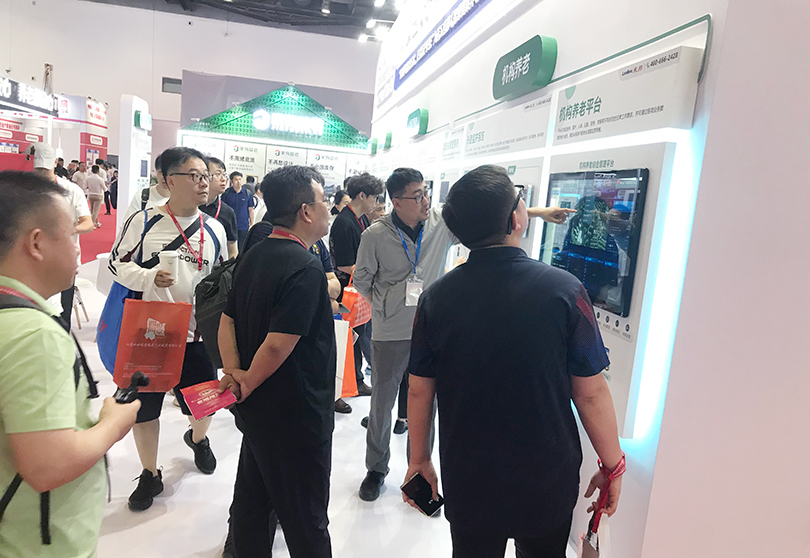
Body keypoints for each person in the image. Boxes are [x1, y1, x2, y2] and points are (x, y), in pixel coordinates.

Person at [404, 165, 623, 558]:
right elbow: (590, 393)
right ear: (516, 219)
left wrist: (418, 459)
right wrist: (612, 465)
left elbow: (420, 389)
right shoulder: (565, 291)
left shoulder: (436, 298)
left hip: (469, 472)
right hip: (546, 476)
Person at [353, 167, 575, 501]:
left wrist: (539, 212)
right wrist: (386, 306)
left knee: (427, 404)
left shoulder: (440, 222)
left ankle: (419, 474)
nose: (426, 200)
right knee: (382, 404)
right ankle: (376, 469)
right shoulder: (375, 235)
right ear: (396, 202)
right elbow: (362, 281)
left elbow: (488, 213)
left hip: (429, 327)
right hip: (391, 331)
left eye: (426, 192)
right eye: (417, 196)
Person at [0, 171, 140, 557]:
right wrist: (113, 424)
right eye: (72, 235)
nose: (79, 249)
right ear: (36, 243)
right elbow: (48, 465)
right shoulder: (33, 334)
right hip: (31, 542)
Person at [217, 165, 335, 558]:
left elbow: (227, 319)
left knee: (253, 504)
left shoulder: (255, 253)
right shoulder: (306, 266)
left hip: (257, 409)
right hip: (296, 415)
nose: (329, 209)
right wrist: (246, 379)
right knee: (306, 518)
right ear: (306, 211)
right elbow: (277, 345)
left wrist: (235, 374)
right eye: (324, 201)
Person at [109, 147, 228, 511]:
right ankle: (150, 473)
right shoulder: (144, 221)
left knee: (205, 406)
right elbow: (116, 264)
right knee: (146, 409)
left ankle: (198, 439)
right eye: (194, 175)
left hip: (197, 335)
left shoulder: (215, 228)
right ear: (168, 180)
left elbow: (221, 278)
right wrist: (148, 276)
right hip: (153, 334)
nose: (203, 182)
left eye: (206, 176)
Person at [330, 173, 384, 397]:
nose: (376, 203)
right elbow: (344, 264)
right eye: (375, 197)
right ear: (362, 195)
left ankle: (355, 381)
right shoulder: (344, 222)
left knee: (358, 335)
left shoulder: (360, 219)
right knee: (347, 338)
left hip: (358, 288)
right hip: (346, 290)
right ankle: (344, 386)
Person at [29, 142, 93, 327]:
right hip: (33, 261)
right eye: (39, 170)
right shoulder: (27, 191)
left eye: (45, 170)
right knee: (34, 314)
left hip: (63, 261)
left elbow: (88, 223)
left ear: (55, 163)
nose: (42, 175)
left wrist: (68, 230)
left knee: (62, 316)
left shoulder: (71, 190)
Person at [200, 157, 239, 260]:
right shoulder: (190, 206)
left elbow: (232, 249)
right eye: (218, 174)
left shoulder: (227, 212)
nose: (223, 179)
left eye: (224, 175)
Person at [121, 154, 171, 222]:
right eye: (161, 172)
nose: (165, 177)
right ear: (156, 171)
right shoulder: (142, 197)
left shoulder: (182, 199)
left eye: (169, 173)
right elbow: (128, 224)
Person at [221, 171, 255, 252]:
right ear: (231, 181)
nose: (238, 181)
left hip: (243, 226)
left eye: (240, 179)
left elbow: (250, 209)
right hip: (229, 225)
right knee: (228, 248)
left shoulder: (247, 194)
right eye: (236, 179)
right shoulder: (226, 194)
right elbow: (222, 210)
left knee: (241, 248)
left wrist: (251, 224)